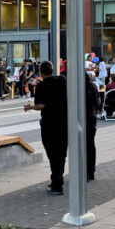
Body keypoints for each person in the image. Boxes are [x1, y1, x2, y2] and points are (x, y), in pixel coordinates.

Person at [25, 61, 65, 194]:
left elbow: (40, 105)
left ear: (41, 73)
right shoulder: (62, 80)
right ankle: (58, 179)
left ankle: (57, 184)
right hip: (64, 121)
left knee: (52, 153)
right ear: (52, 70)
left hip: (49, 123)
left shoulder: (41, 86)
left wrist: (30, 106)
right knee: (61, 153)